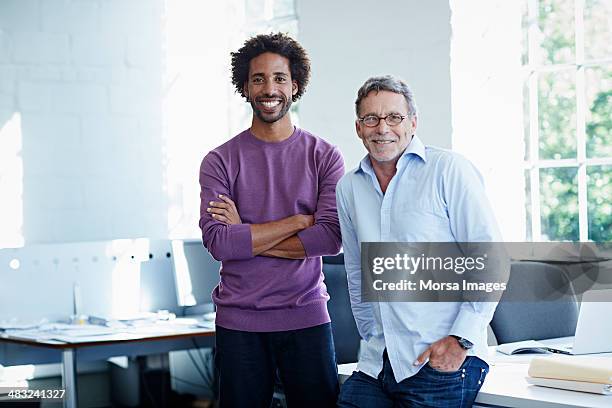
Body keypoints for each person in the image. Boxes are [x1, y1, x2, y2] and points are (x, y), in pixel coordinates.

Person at [336, 75, 503, 407]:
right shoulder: (349, 187)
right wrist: (370, 333)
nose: (382, 127)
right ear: (359, 127)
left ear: (412, 122)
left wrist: (460, 340)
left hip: (440, 358)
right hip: (377, 361)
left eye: (394, 117)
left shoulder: (448, 170)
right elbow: (356, 271)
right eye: (371, 118)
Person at [198, 33, 344, 408]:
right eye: (259, 78)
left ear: (295, 85)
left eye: (279, 78)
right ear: (245, 87)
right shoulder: (220, 161)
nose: (269, 88)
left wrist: (246, 233)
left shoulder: (325, 156)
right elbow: (220, 244)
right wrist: (298, 220)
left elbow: (329, 239)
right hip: (239, 323)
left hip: (307, 316)